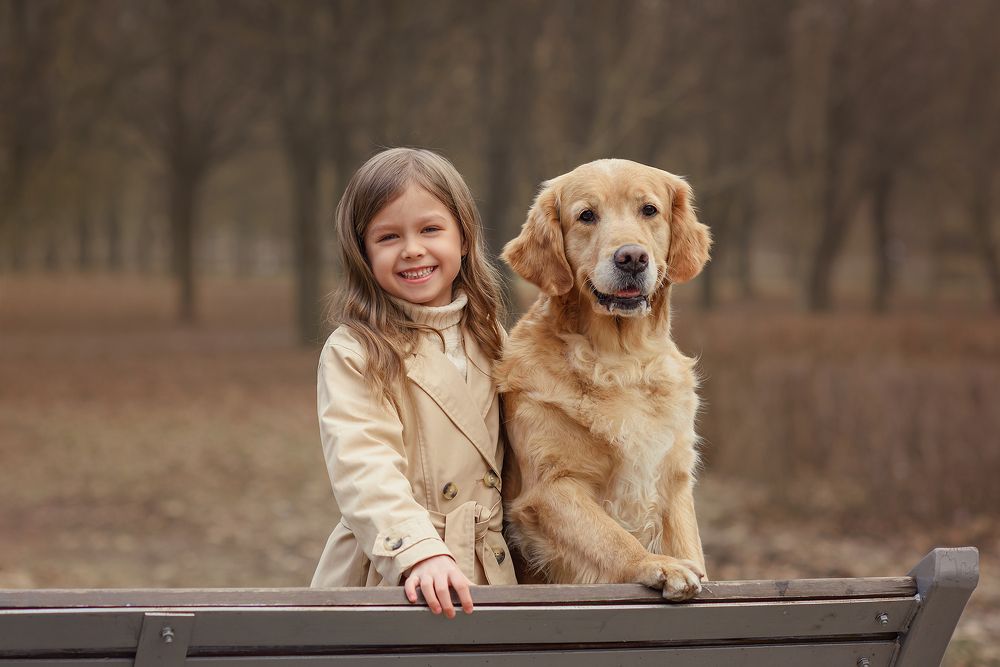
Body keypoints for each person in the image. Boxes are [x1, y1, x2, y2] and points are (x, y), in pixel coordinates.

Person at [310, 148, 517, 618]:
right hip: (393, 574)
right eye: (388, 236)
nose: (413, 249)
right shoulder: (356, 350)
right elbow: (363, 464)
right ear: (362, 252)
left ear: (463, 237)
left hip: (490, 570)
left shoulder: (491, 337)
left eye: (430, 229)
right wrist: (418, 551)